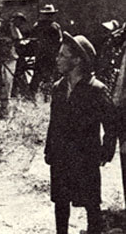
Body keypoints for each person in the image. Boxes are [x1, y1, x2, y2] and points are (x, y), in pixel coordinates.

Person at [45, 31, 118, 234]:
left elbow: (111, 123)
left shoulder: (96, 90)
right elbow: (54, 123)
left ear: (77, 60)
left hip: (85, 157)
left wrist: (106, 151)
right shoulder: (58, 88)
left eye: (62, 55)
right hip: (61, 155)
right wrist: (49, 150)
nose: (57, 59)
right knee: (61, 202)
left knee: (91, 204)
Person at [0, 13, 25, 112]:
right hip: (0, 57)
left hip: (9, 57)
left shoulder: (14, 29)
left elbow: (19, 40)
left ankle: (4, 105)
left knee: (7, 81)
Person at [30, 4, 63, 94]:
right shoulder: (55, 26)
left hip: (40, 53)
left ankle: (32, 93)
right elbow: (60, 41)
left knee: (37, 74)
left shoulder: (37, 25)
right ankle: (49, 92)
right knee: (51, 74)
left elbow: (32, 39)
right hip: (50, 54)